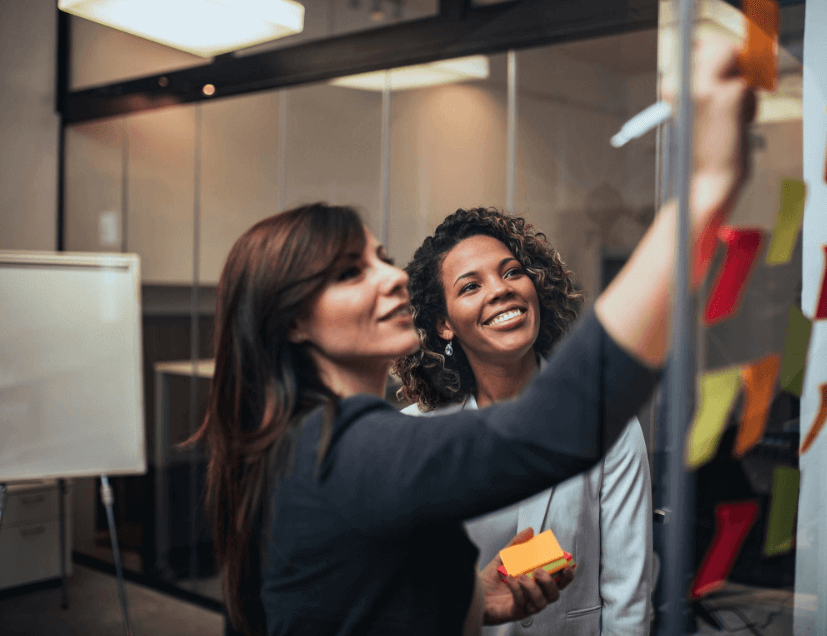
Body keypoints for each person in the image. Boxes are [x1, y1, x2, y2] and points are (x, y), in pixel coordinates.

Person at [193, 37, 755, 636]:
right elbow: (554, 427)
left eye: (381, 259)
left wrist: (469, 600)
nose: (391, 280)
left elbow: (360, 604)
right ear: (294, 321)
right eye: (351, 273)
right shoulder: (346, 449)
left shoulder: (306, 444)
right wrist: (706, 183)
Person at [395, 206, 653, 635]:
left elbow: (627, 594)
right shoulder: (413, 435)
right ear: (444, 324)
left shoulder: (607, 420)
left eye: (512, 272)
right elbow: (400, 592)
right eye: (471, 286)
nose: (500, 290)